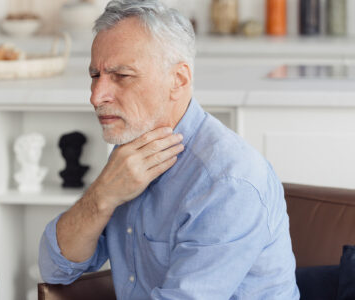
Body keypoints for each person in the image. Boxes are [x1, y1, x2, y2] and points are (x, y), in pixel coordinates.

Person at [39, 0, 300, 299]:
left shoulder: (229, 181)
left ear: (179, 80)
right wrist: (102, 195)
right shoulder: (131, 151)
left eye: (121, 76)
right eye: (95, 75)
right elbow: (54, 268)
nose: (96, 96)